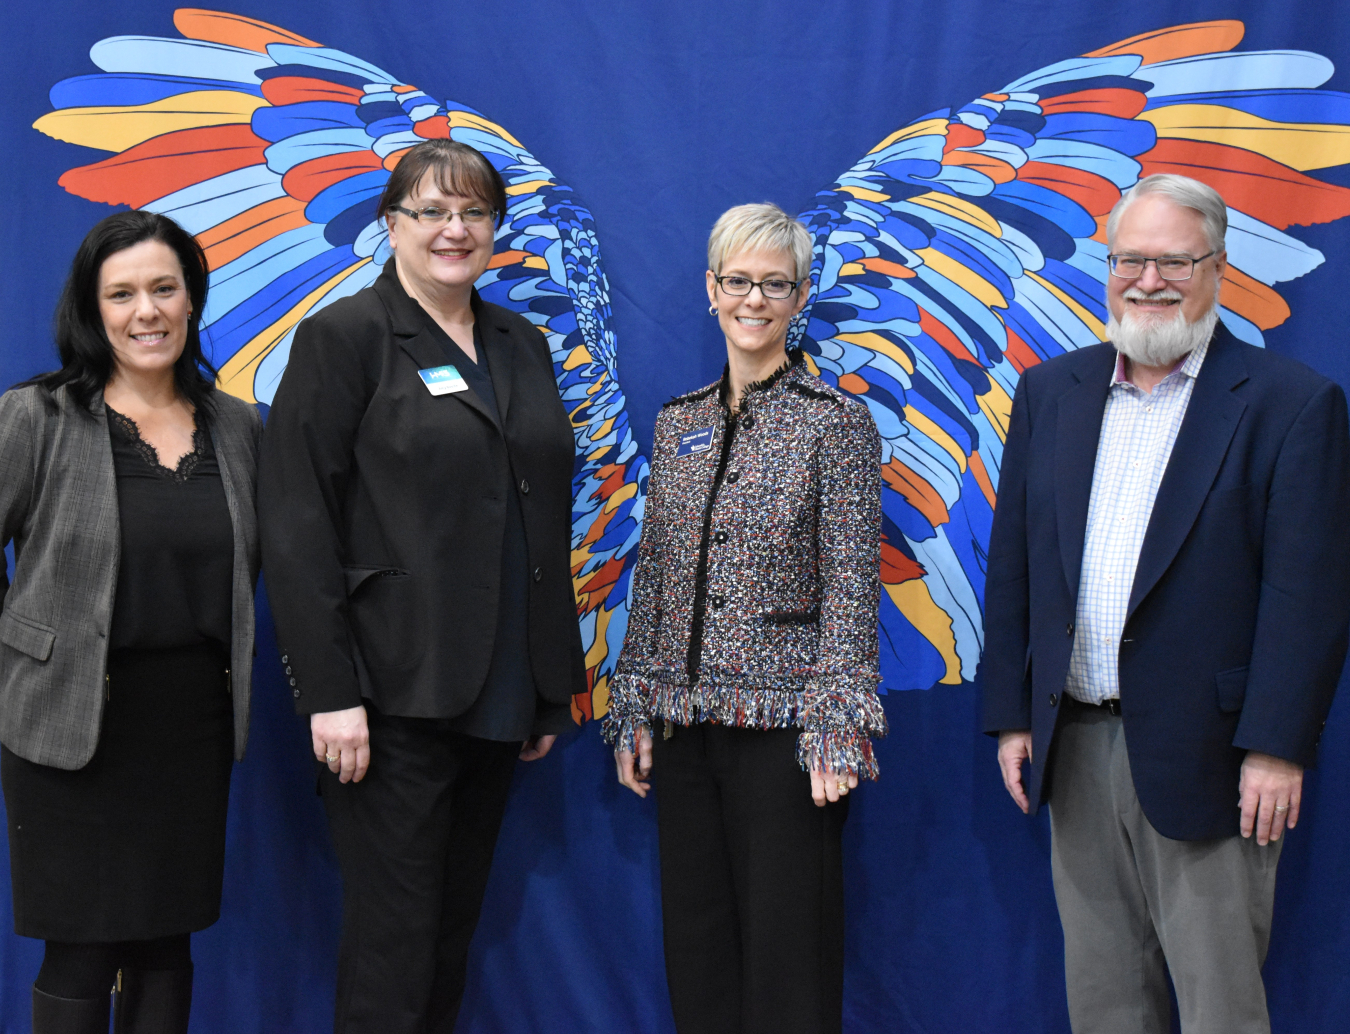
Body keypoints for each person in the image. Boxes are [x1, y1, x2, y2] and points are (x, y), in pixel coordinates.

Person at [980, 174, 1350, 1033]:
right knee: (1104, 1004)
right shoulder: (1051, 394)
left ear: (1217, 266)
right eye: (1131, 259)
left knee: (1221, 1008)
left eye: (1174, 261)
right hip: (1074, 747)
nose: (1148, 280)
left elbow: (1309, 599)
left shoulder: (1290, 407)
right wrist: (1012, 715)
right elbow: (1016, 569)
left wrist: (1276, 750)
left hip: (1216, 761)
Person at [258, 138, 585, 1034]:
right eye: (432, 211)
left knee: (449, 934)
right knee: (394, 945)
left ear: (496, 230)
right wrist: (330, 693)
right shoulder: (344, 340)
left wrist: (541, 685)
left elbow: (531, 505)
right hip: (386, 699)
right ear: (390, 225)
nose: (454, 229)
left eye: (474, 212)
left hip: (499, 695)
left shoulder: (522, 343)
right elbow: (294, 526)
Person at [604, 202, 886, 1034]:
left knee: (787, 960)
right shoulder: (679, 421)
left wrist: (837, 725)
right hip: (686, 731)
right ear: (710, 289)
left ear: (801, 296)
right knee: (698, 950)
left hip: (789, 737)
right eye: (738, 281)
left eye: (774, 283)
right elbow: (656, 576)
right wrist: (634, 710)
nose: (753, 299)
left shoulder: (835, 423)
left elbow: (850, 584)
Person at [0, 210, 261, 1033]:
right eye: (122, 294)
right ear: (92, 308)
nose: (145, 311)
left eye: (163, 289)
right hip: (66, 726)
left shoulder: (240, 427)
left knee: (164, 944)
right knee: (80, 948)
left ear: (191, 301)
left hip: (190, 727)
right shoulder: (35, 418)